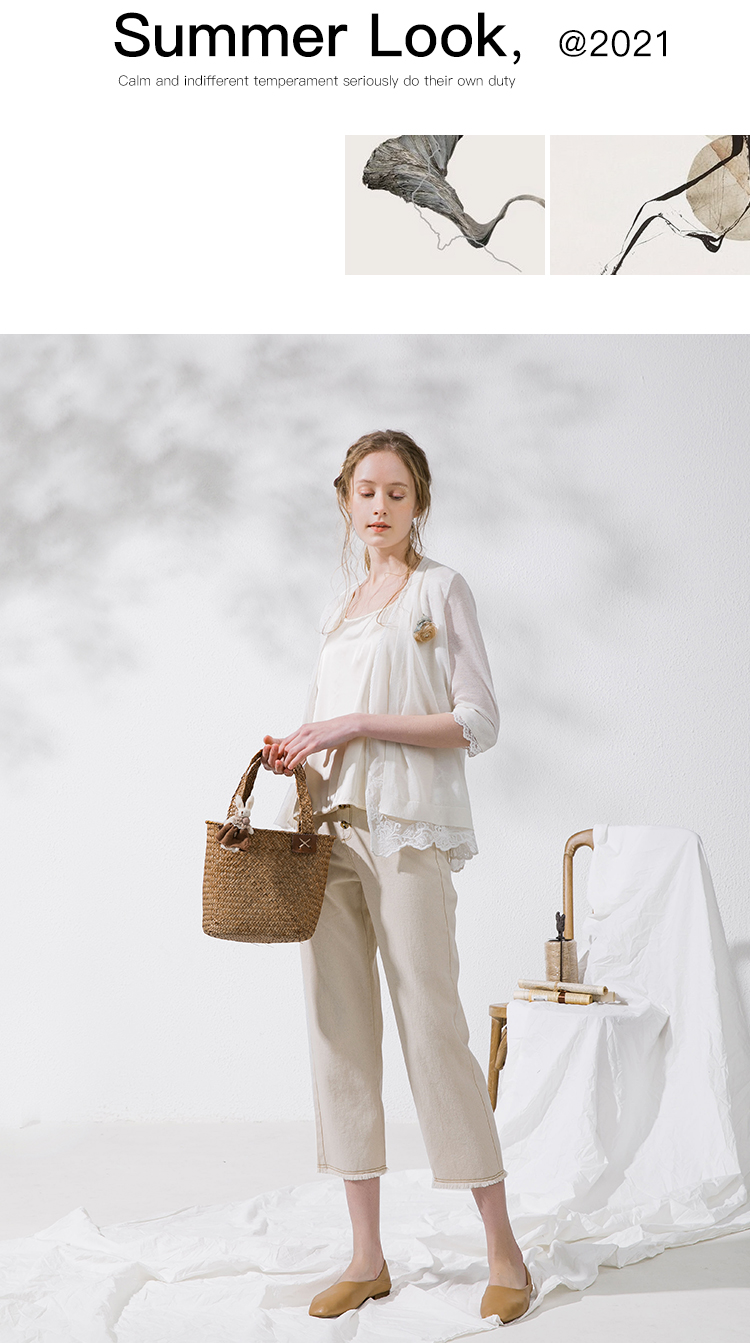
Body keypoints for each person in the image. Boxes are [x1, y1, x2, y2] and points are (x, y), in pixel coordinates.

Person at [218, 430, 531, 1324]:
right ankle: (366, 1255)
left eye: (397, 491)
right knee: (339, 1032)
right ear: (345, 500)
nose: (381, 505)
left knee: (433, 1027)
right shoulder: (343, 605)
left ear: (419, 501)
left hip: (407, 832)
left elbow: (477, 719)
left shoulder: (440, 590)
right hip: (329, 832)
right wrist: (300, 748)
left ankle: (504, 1251)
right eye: (366, 491)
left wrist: (355, 722)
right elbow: (328, 722)